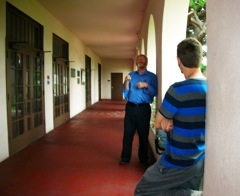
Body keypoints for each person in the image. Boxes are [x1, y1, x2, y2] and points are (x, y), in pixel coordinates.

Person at [134, 38, 207, 196]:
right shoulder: (210, 88)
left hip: (176, 161)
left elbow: (159, 123)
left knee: (142, 190)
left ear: (178, 60)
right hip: (198, 159)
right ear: (201, 59)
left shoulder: (178, 90)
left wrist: (169, 119)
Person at [119, 54, 158, 165]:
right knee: (128, 133)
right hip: (130, 107)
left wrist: (146, 85)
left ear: (146, 62)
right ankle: (125, 158)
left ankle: (143, 159)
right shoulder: (131, 75)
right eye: (138, 60)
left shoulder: (152, 77)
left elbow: (155, 92)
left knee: (143, 135)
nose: (140, 61)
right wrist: (126, 81)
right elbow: (125, 91)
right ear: (136, 62)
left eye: (142, 60)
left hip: (144, 109)